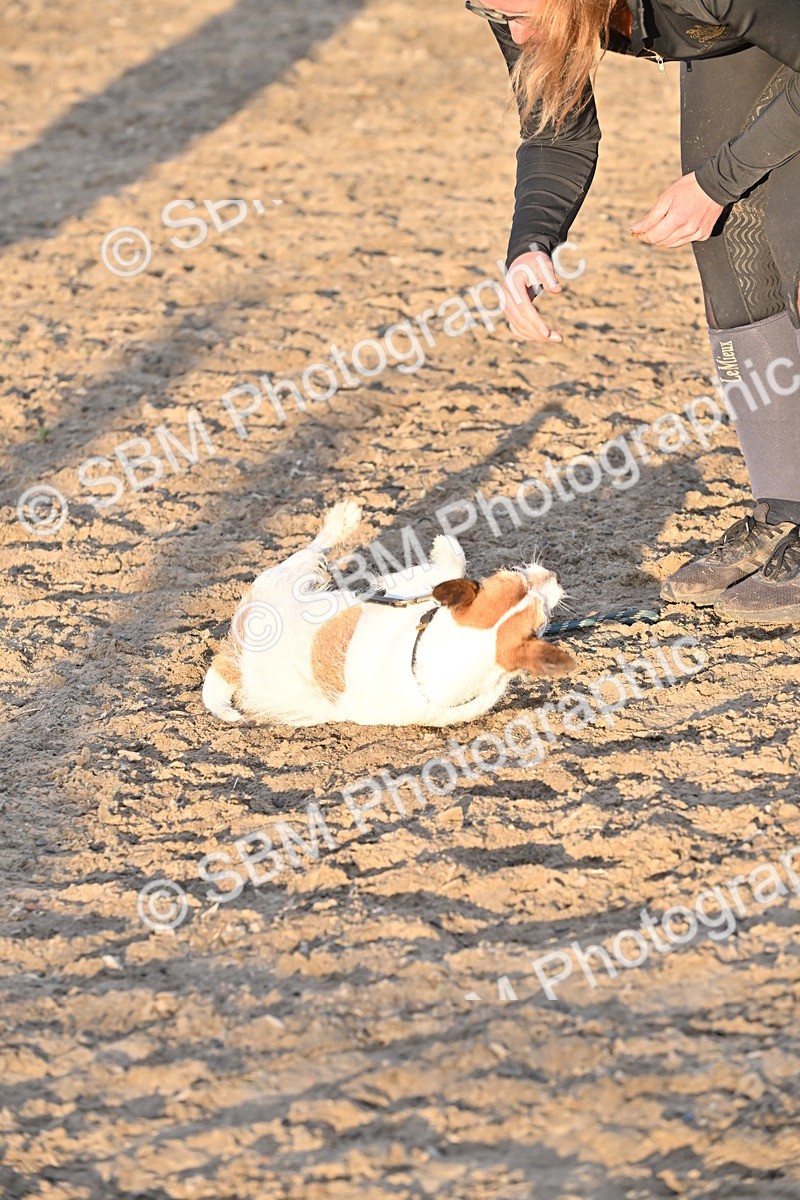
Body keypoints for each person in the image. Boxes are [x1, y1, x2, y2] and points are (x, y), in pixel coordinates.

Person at [466, 0, 800, 623]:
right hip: (744, 39)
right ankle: (787, 508)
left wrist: (715, 181)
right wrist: (530, 245)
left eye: (517, 12)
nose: (514, 31)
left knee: (791, 231)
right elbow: (556, 129)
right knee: (731, 253)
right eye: (491, 11)